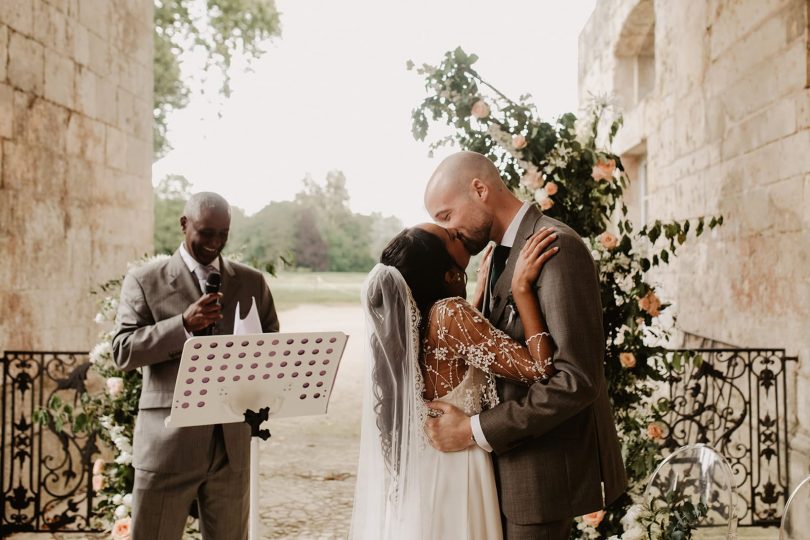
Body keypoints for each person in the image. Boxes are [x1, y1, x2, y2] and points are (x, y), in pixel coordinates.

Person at [423, 151, 628, 539]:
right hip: (498, 472)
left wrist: (472, 430)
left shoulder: (556, 246)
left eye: (447, 215)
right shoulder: (493, 256)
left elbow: (577, 380)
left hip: (540, 478)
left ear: (480, 190)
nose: (448, 231)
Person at [350, 222, 559, 540]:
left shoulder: (408, 326)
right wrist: (522, 289)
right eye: (451, 236)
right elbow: (539, 368)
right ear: (447, 273)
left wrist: (473, 296)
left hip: (425, 466)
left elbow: (449, 353)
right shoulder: (450, 314)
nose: (457, 230)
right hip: (459, 467)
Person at [112, 192, 279, 540]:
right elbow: (123, 351)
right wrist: (183, 325)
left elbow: (272, 349)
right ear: (184, 224)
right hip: (168, 442)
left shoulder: (252, 282)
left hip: (231, 444)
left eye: (223, 234)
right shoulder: (145, 280)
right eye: (206, 233)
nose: (215, 242)